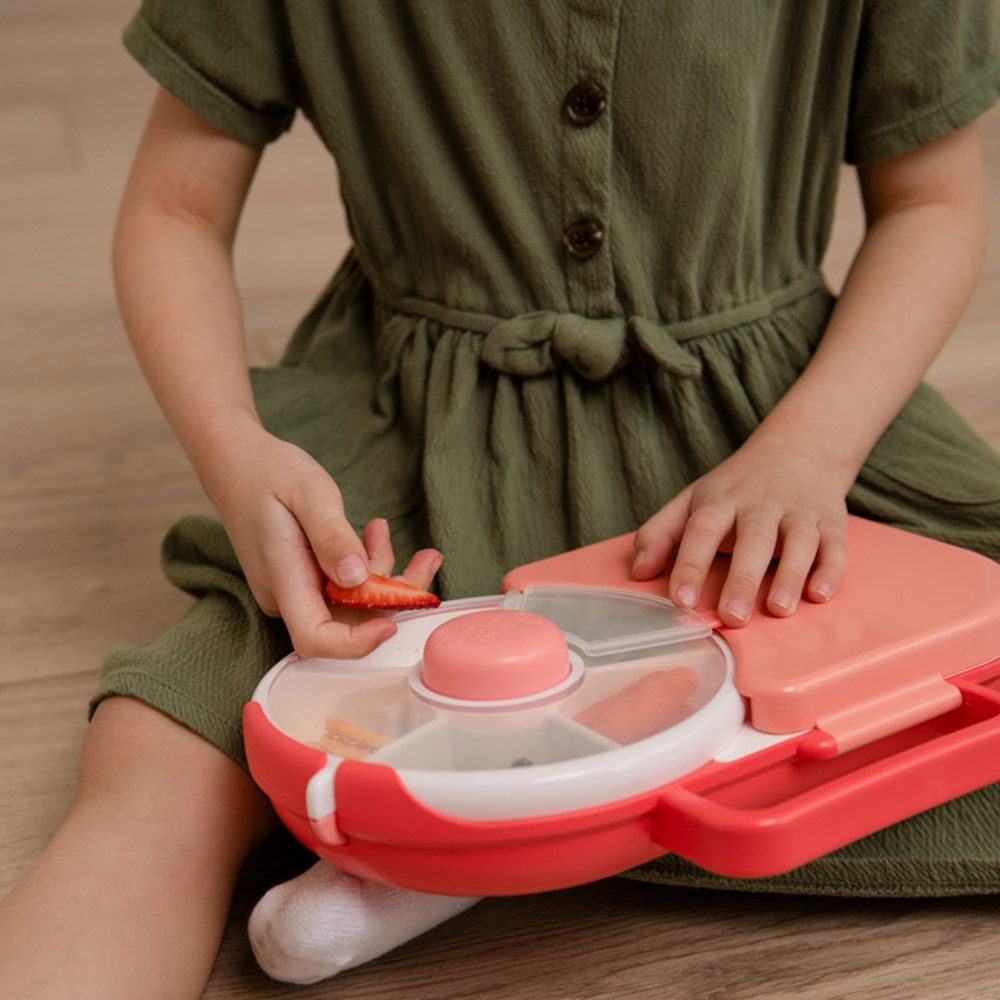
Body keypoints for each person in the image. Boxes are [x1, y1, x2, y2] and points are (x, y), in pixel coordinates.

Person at [2, 0, 1000, 995]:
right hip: (415, 438)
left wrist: (811, 451)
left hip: (780, 427)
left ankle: (464, 833)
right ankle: (482, 812)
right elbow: (176, 209)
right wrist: (237, 455)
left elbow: (933, 200)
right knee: (162, 757)